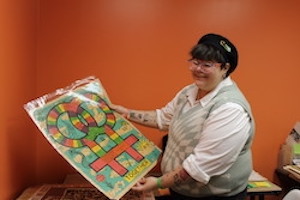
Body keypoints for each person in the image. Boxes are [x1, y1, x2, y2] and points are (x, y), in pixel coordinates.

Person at [110, 33, 255, 200]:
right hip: (181, 191)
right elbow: (164, 118)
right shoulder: (189, 92)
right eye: (195, 62)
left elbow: (199, 166)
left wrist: (157, 184)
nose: (197, 69)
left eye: (207, 65)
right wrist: (126, 113)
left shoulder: (230, 108)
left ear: (225, 68)